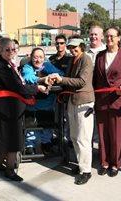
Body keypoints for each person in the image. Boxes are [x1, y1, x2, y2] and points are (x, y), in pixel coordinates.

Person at [0, 37, 47, 182]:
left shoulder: (9, 64)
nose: (11, 52)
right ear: (0, 50)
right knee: (12, 141)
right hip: (9, 110)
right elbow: (18, 87)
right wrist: (37, 88)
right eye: (7, 49)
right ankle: (10, 169)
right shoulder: (3, 67)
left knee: (6, 139)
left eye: (14, 49)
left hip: (11, 109)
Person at [51, 36, 95, 185]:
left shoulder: (86, 59)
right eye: (70, 47)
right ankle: (81, 166)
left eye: (74, 47)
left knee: (83, 138)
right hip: (72, 101)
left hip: (84, 103)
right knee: (75, 137)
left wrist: (61, 79)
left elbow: (82, 81)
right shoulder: (73, 60)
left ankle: (86, 171)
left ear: (82, 46)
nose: (72, 49)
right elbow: (70, 81)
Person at [93, 27, 121, 177]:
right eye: (107, 36)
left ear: (119, 38)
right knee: (102, 133)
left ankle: (115, 164)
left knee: (116, 135)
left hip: (118, 100)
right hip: (101, 101)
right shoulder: (99, 56)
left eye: (112, 36)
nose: (109, 39)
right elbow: (96, 80)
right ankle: (104, 162)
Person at [21, 47, 63, 154]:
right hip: (32, 105)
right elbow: (28, 78)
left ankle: (46, 143)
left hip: (47, 104)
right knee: (30, 127)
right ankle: (30, 145)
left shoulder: (48, 65)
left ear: (44, 58)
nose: (38, 60)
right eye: (35, 57)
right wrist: (42, 79)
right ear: (31, 57)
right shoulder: (27, 67)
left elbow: (60, 74)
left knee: (47, 126)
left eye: (40, 57)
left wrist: (51, 75)